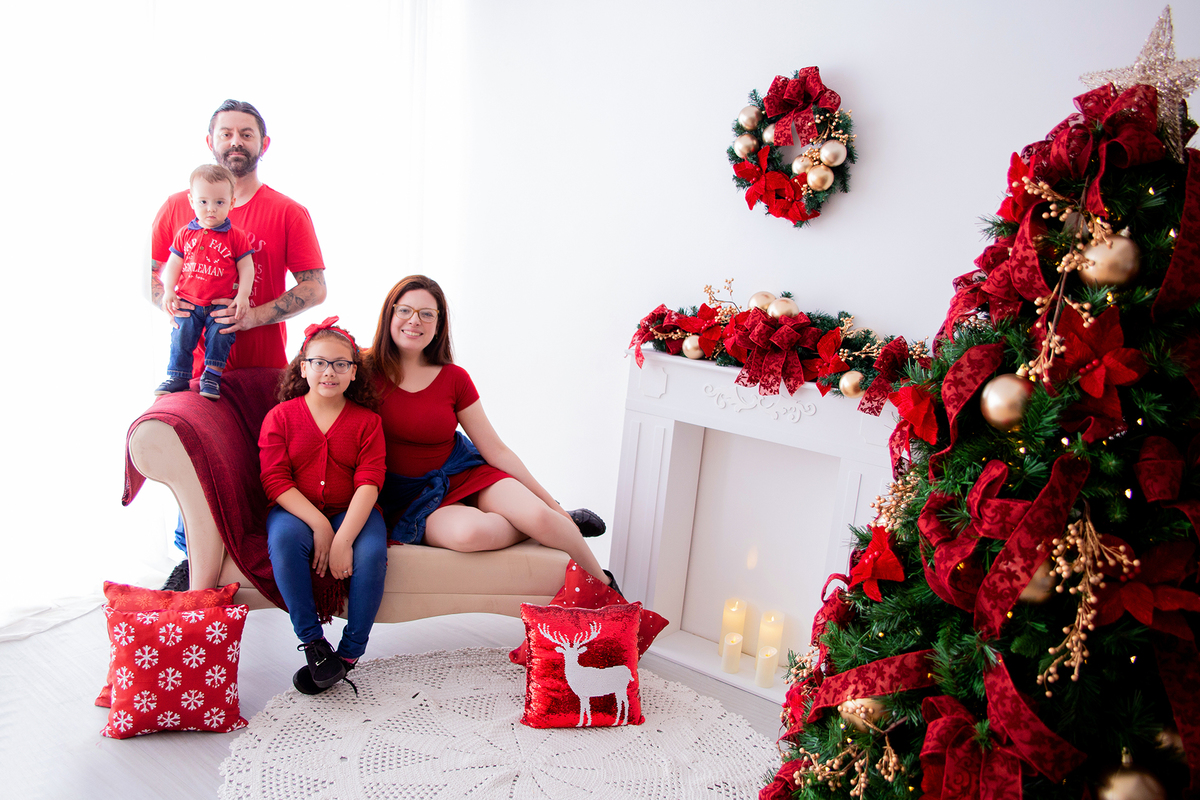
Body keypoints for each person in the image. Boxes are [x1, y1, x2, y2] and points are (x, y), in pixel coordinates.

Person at [150, 99, 328, 566]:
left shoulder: (288, 212)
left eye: (246, 134)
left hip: (262, 372)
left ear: (263, 145)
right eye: (226, 133)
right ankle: (192, 565)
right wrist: (168, 301)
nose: (235, 141)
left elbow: (315, 288)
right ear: (209, 141)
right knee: (197, 468)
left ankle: (253, 567)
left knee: (254, 473)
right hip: (191, 371)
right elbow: (155, 277)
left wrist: (252, 316)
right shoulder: (176, 207)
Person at [366, 275, 620, 592]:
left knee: (544, 518)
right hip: (409, 497)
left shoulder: (454, 378)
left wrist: (550, 508)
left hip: (464, 472)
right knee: (470, 535)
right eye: (405, 310)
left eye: (427, 314)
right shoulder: (362, 371)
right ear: (389, 313)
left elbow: (496, 450)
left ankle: (605, 583)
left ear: (438, 324)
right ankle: (534, 524)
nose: (414, 321)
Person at [259, 317, 387, 694]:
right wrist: (320, 525)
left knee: (372, 553)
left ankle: (348, 654)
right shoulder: (280, 418)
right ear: (303, 367)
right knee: (283, 542)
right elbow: (275, 480)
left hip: (354, 509)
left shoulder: (368, 422)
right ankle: (314, 645)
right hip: (298, 510)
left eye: (340, 364)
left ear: (353, 372)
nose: (329, 372)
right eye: (319, 362)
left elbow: (369, 482)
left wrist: (343, 538)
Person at [154, 164, 254, 400]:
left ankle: (212, 376)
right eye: (203, 202)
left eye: (219, 202)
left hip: (220, 304)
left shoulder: (235, 236)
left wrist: (242, 296)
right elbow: (174, 264)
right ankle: (178, 376)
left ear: (231, 203)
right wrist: (169, 290)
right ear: (191, 201)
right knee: (180, 335)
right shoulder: (185, 233)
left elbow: (246, 267)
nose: (211, 209)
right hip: (188, 301)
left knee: (221, 334)